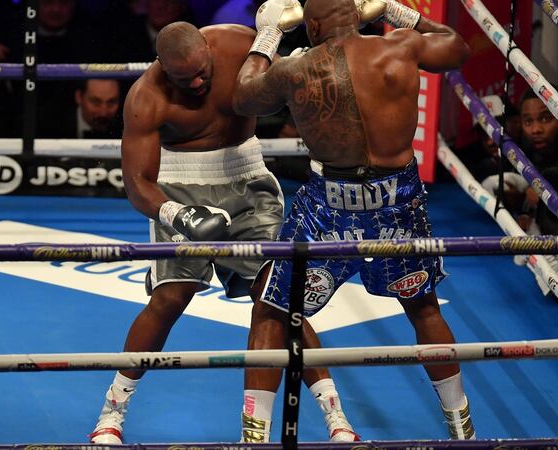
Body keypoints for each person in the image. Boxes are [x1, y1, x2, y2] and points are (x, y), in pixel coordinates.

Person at [88, 21, 357, 444]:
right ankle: (112, 411)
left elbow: (293, 89)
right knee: (170, 297)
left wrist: (272, 40)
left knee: (277, 297)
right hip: (177, 184)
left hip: (247, 178)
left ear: (209, 50)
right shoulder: (146, 97)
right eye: (184, 79)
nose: (196, 83)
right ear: (163, 67)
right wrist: (177, 214)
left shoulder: (237, 45)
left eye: (203, 73)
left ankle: (336, 417)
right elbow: (138, 182)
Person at [232, 0, 474, 440]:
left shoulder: (297, 69)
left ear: (314, 23)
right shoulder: (400, 47)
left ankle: (254, 437)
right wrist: (399, 13)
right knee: (423, 308)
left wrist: (268, 34)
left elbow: (243, 95)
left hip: (329, 206)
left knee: (271, 310)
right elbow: (456, 47)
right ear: (359, 14)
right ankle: (462, 428)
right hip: (397, 200)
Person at [38, 79, 122, 139]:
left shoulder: (125, 126)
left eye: (111, 102)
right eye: (96, 102)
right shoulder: (51, 123)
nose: (103, 112)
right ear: (78, 97)